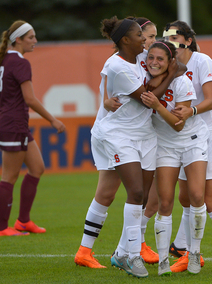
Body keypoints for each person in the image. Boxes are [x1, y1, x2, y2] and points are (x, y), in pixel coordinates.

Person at [74, 17, 166, 269]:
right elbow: (146, 97)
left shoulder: (140, 58)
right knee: (136, 193)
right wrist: (173, 74)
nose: (149, 42)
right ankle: (129, 252)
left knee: (115, 193)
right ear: (127, 39)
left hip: (141, 133)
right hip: (117, 134)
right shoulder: (117, 64)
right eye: (145, 36)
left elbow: (161, 70)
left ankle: (90, 251)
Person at [162, 20, 212, 275]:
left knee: (209, 199)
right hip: (190, 137)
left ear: (187, 40)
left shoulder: (202, 61)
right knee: (186, 198)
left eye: (175, 38)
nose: (170, 42)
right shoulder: (171, 67)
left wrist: (191, 110)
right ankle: (189, 254)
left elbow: (209, 100)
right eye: (167, 38)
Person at [0, 20, 66, 236]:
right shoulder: (21, 62)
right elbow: (30, 99)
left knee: (37, 168)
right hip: (13, 124)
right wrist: (52, 120)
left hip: (14, 123)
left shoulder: (7, 59)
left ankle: (23, 221)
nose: (35, 41)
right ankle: (2, 228)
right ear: (18, 40)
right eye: (31, 37)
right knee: (9, 177)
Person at [141, 40, 209, 275]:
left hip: (191, 141)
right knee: (165, 202)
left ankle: (195, 252)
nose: (154, 63)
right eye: (151, 58)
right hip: (164, 146)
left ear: (170, 62)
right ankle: (162, 261)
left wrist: (158, 106)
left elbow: (179, 125)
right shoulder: (142, 79)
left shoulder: (182, 81)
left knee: (197, 195)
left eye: (160, 59)